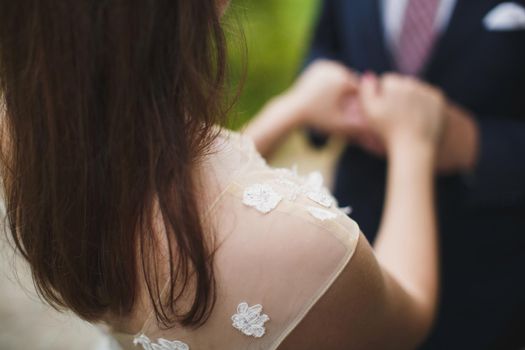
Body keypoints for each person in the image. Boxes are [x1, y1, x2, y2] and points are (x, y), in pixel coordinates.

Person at [0, 1, 444, 349]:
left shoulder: (24, 133)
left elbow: (187, 199)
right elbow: (406, 318)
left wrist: (287, 111)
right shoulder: (303, 244)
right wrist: (414, 142)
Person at [262, 1, 524, 348]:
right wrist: (317, 98)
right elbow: (326, 47)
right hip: (356, 242)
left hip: (489, 270)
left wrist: (471, 142)